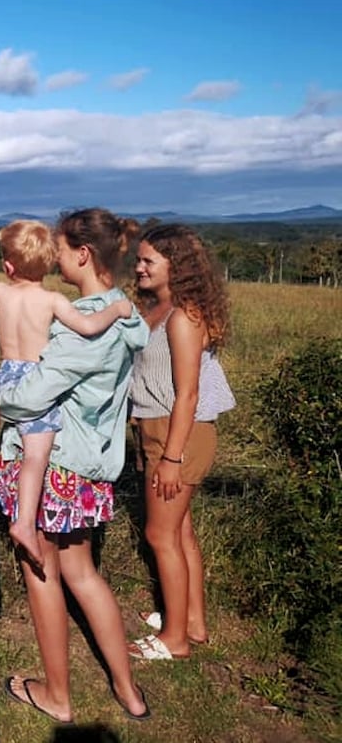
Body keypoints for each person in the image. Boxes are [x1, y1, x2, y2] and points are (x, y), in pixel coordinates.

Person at [0, 208, 152, 724]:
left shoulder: (86, 330)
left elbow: (32, 394)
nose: (54, 257)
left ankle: (57, 694)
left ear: (82, 254)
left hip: (55, 464)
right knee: (85, 574)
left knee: (42, 572)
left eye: (59, 249)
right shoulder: (120, 318)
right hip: (93, 461)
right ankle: (128, 690)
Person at [0, 219, 133, 570]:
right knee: (36, 458)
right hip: (37, 384)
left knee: (15, 448)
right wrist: (118, 309)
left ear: (9, 265)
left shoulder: (1, 292)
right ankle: (24, 523)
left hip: (7, 379)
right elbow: (89, 326)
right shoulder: (51, 300)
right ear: (48, 263)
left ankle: (12, 513)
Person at [129, 224, 235, 660]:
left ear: (177, 267)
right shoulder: (160, 308)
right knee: (181, 530)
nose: (138, 267)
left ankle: (174, 641)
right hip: (158, 429)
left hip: (178, 434)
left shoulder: (183, 317)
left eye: (148, 261)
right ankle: (191, 620)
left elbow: (188, 393)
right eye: (138, 259)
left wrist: (172, 457)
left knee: (160, 534)